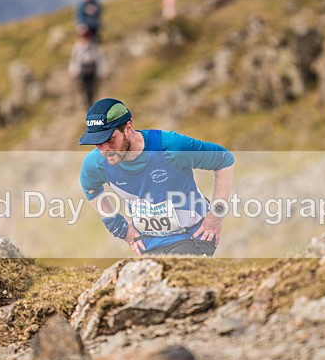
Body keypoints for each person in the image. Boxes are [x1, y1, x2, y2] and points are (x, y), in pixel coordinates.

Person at [79, 98, 235, 256]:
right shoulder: (96, 162)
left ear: (128, 129)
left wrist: (216, 217)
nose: (104, 149)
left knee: (175, 270)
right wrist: (120, 228)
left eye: (110, 140)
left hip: (193, 236)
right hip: (148, 243)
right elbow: (90, 188)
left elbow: (224, 160)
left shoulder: (172, 147)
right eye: (97, 143)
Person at [68, 25, 106, 110]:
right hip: (83, 71)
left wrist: (102, 70)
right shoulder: (77, 47)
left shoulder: (94, 46)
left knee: (93, 89)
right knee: (84, 89)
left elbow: (99, 59)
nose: (84, 38)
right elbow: (74, 60)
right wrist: (72, 70)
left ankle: (93, 105)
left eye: (86, 35)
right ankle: (87, 106)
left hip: (93, 71)